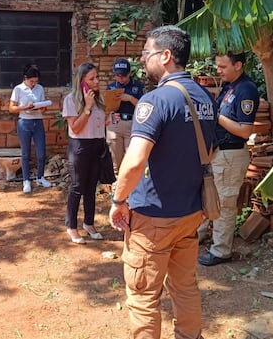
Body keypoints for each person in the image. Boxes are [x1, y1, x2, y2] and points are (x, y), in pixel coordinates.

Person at [109, 25, 216, 339]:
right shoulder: (206, 98)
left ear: (166, 56)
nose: (143, 60)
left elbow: (135, 160)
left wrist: (118, 201)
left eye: (147, 53)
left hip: (154, 217)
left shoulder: (155, 100)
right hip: (190, 212)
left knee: (143, 296)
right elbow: (210, 150)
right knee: (184, 287)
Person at [198, 51, 259, 267]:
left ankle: (221, 250)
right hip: (219, 153)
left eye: (223, 66)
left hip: (231, 155)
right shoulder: (230, 86)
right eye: (218, 66)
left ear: (238, 65)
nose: (219, 70)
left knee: (225, 203)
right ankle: (201, 235)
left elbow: (245, 130)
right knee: (209, 196)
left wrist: (217, 116)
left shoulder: (246, 89)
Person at [62, 62, 109, 244]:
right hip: (80, 146)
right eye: (92, 79)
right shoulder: (71, 100)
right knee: (77, 186)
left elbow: (97, 124)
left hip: (97, 145)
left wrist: (108, 120)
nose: (96, 81)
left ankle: (89, 223)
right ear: (81, 81)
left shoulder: (98, 98)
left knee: (91, 187)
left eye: (96, 77)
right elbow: (76, 127)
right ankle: (71, 227)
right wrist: (87, 108)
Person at [9, 64, 52, 194]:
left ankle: (40, 177)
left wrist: (41, 106)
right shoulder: (18, 89)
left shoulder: (40, 89)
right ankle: (26, 180)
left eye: (36, 81)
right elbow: (11, 108)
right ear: (25, 78)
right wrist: (24, 107)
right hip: (24, 122)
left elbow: (44, 108)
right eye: (31, 81)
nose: (33, 84)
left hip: (38, 121)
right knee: (26, 153)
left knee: (41, 152)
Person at [106, 58, 144, 175]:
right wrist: (111, 116)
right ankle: (116, 185)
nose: (120, 78)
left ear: (129, 73)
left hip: (132, 124)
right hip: (115, 124)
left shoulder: (138, 86)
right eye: (117, 76)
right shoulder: (111, 87)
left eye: (123, 76)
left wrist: (130, 98)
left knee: (132, 158)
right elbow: (107, 109)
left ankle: (132, 188)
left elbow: (143, 107)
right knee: (115, 159)